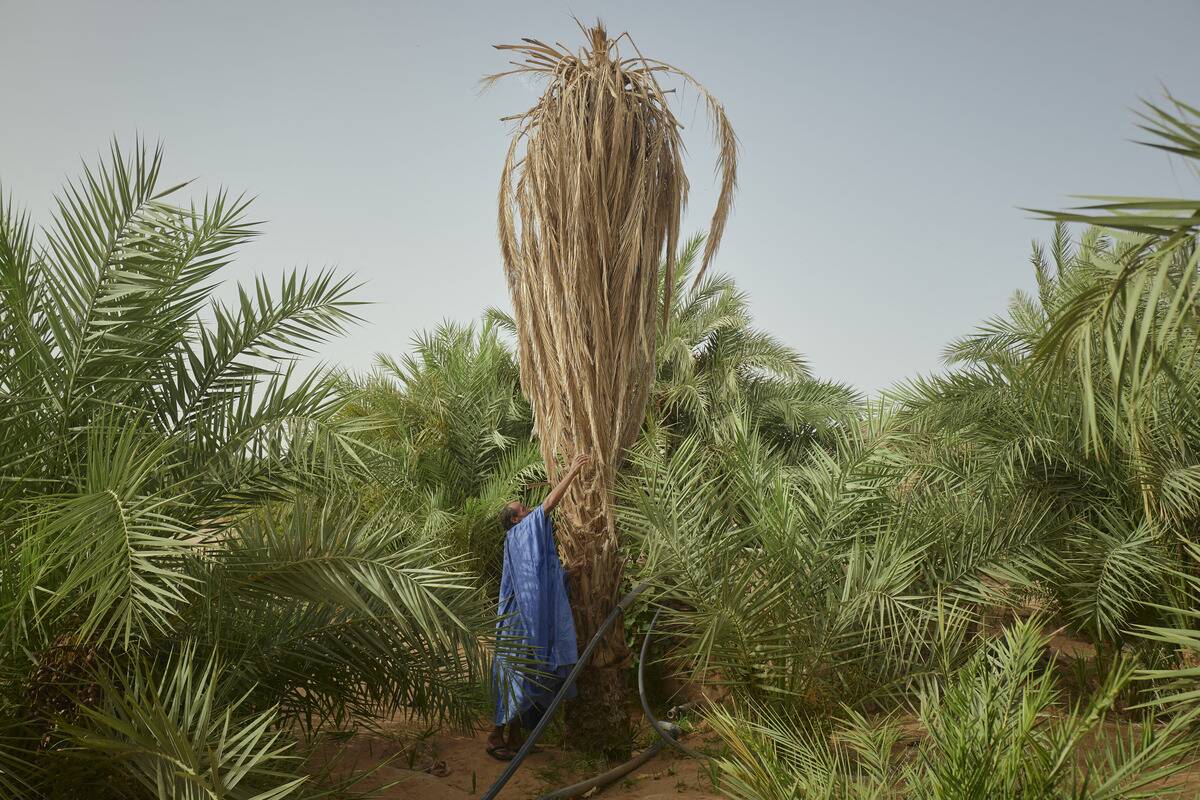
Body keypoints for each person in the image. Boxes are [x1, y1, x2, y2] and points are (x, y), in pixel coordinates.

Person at [486, 453, 589, 761]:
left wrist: (568, 573)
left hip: (528, 621)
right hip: (519, 622)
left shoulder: (522, 541)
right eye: (523, 509)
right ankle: (495, 737)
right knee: (517, 675)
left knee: (528, 673)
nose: (529, 510)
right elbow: (548, 505)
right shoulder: (518, 535)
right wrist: (571, 473)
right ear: (516, 520)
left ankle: (516, 738)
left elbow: (540, 575)